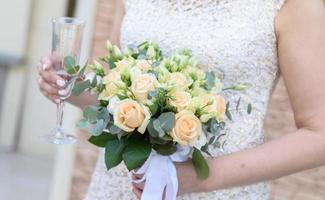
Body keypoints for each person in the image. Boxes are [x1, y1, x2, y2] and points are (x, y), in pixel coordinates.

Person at [37, 0, 325, 199]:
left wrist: (196, 178)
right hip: (119, 187)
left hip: (219, 192)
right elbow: (116, 91)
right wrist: (71, 85)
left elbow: (319, 134)